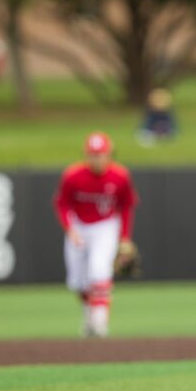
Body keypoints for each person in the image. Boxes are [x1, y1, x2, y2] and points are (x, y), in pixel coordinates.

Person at [53, 132, 138, 337]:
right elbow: (62, 203)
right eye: (92, 154)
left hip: (106, 225)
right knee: (78, 282)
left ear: (109, 154)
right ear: (86, 155)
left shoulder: (120, 175)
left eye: (100, 154)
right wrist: (69, 228)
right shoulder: (73, 175)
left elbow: (127, 206)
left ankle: (100, 322)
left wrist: (125, 237)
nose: (97, 159)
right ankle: (90, 316)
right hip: (79, 226)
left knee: (99, 270)